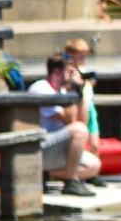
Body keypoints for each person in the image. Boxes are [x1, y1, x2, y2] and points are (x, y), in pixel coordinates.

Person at [28, 53, 98, 197]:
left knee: (94, 165)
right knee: (78, 130)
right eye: (70, 72)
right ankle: (71, 181)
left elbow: (82, 123)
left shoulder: (61, 91)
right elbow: (71, 122)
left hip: (55, 148)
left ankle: (46, 173)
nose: (73, 75)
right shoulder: (41, 89)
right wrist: (70, 90)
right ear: (56, 72)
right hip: (38, 147)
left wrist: (80, 92)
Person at [62, 37, 101, 162]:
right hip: (78, 108)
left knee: (95, 144)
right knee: (80, 141)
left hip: (89, 107)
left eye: (85, 56)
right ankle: (80, 169)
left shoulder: (83, 71)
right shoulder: (68, 71)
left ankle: (94, 171)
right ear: (71, 55)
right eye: (80, 56)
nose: (83, 59)